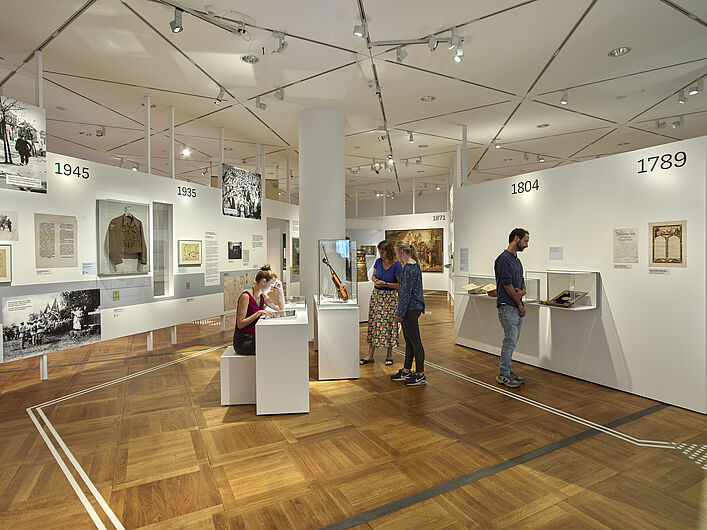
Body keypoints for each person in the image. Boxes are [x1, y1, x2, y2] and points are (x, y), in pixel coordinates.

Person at [494, 228, 530, 388]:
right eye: (525, 241)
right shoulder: (503, 259)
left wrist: (522, 291)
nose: (527, 245)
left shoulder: (516, 260)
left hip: (514, 305)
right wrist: (520, 304)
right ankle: (503, 373)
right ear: (516, 238)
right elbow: (507, 285)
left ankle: (508, 370)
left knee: (513, 341)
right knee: (510, 340)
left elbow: (520, 282)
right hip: (507, 306)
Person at [390, 240, 426, 386]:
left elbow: (405, 293)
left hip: (411, 308)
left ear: (402, 252)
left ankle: (420, 374)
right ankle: (406, 369)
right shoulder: (412, 266)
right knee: (410, 341)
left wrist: (400, 312)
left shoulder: (410, 268)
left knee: (415, 342)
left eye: (397, 253)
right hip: (412, 307)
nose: (396, 256)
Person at [360, 240, 402, 365]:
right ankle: (370, 355)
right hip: (377, 296)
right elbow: (373, 275)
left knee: (389, 324)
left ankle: (389, 355)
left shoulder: (397, 265)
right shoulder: (378, 262)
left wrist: (386, 284)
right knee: (374, 324)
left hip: (390, 298)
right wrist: (375, 281)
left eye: (382, 252)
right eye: (380, 252)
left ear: (388, 252)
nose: (380, 255)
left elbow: (399, 285)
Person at [233, 264, 285, 355]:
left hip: (256, 336)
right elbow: (240, 324)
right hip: (244, 340)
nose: (272, 289)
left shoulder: (263, 296)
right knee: (270, 349)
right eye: (271, 285)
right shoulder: (246, 296)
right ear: (263, 281)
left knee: (277, 343)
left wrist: (280, 289)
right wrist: (259, 313)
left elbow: (281, 309)